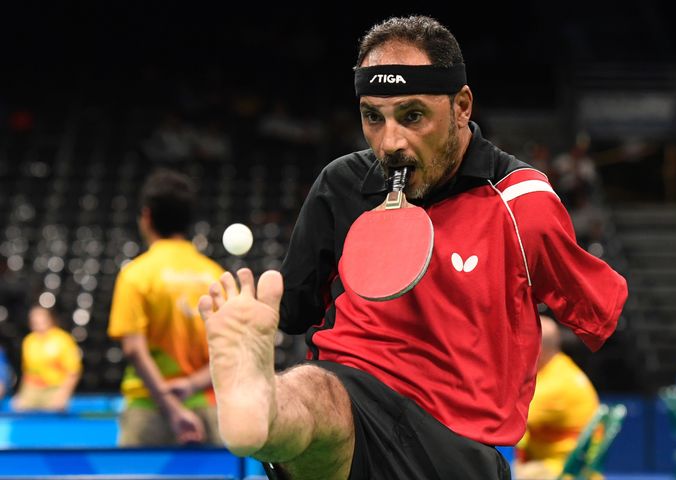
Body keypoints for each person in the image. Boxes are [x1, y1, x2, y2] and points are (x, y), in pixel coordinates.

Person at [200, 15, 628, 479]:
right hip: (349, 411)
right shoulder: (342, 185)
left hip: (453, 445)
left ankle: (271, 417)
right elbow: (298, 313)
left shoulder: (521, 202)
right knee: (316, 391)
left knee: (321, 398)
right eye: (372, 117)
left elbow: (597, 315)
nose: (390, 142)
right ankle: (264, 415)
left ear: (462, 106)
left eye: (412, 116)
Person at [107, 168, 224, 446]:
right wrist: (191, 385)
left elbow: (133, 348)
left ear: (147, 216)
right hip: (207, 407)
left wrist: (171, 408)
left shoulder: (136, 274)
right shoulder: (215, 274)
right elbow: (227, 351)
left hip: (148, 410)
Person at [514, 315, 600, 478]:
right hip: (569, 464)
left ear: (536, 347)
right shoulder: (559, 367)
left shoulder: (554, 386)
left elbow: (509, 420)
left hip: (561, 468)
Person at [12, 305, 81, 411]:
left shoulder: (63, 339)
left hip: (55, 387)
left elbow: (73, 372)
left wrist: (63, 395)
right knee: (17, 407)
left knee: (55, 413)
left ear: (50, 319)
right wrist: (21, 395)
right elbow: (27, 372)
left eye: (41, 318)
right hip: (33, 388)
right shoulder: (29, 341)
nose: (38, 321)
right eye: (34, 319)